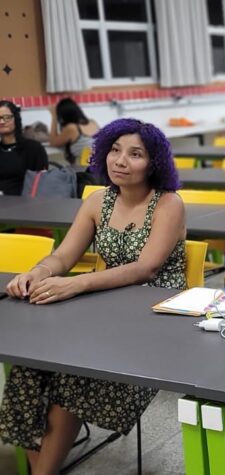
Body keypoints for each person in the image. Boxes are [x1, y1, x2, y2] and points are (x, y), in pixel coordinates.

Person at [1, 118, 186, 475]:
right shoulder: (97, 201)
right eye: (115, 150)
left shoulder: (168, 203)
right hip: (105, 304)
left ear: (154, 163)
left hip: (154, 315)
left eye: (135, 154)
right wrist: (38, 272)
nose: (121, 160)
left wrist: (76, 284)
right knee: (28, 365)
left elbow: (145, 269)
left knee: (72, 371)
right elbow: (62, 257)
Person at [0, 100, 48, 195]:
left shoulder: (33, 149)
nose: (1, 122)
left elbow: (42, 183)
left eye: (6, 117)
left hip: (24, 200)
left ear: (16, 119)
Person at [48, 97, 100, 164]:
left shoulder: (72, 128)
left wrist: (54, 116)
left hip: (83, 167)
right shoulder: (93, 122)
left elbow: (52, 143)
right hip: (97, 165)